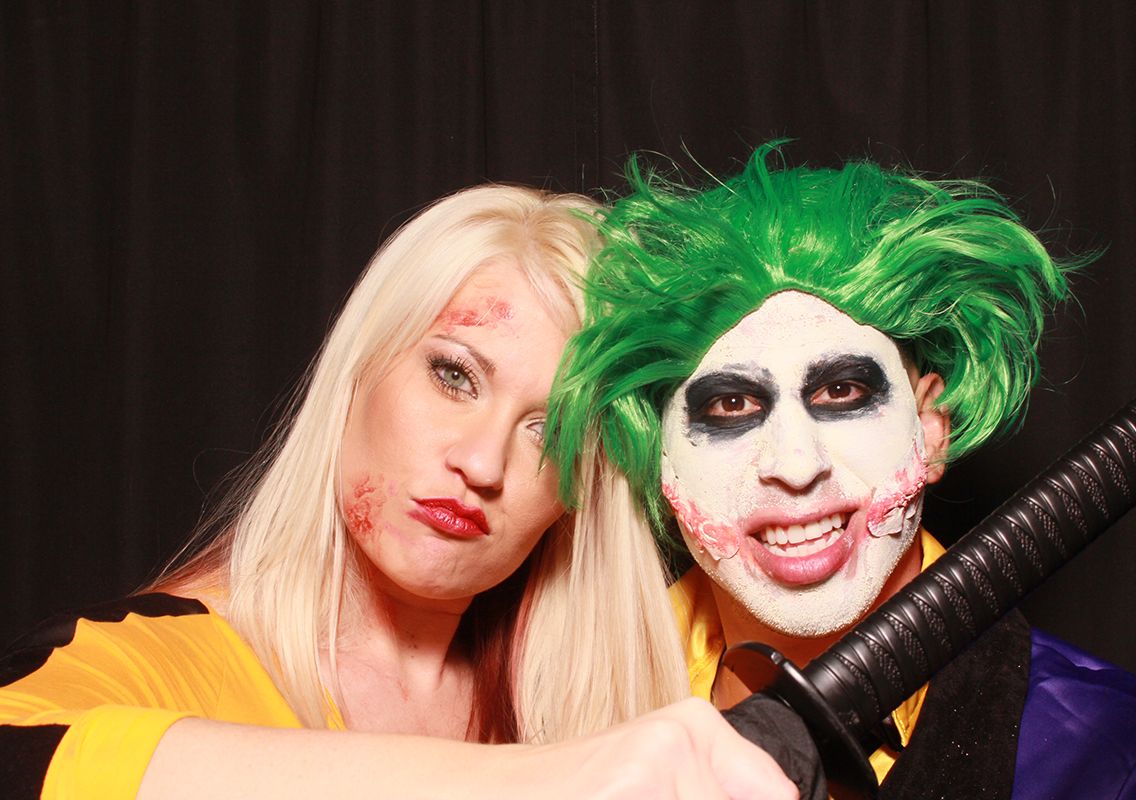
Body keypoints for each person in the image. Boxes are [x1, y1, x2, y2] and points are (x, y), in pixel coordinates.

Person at [0, 185, 798, 800]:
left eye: (550, 430)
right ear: (358, 367)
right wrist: (542, 782)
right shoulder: (170, 657)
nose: (482, 463)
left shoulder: (629, 693)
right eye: (454, 375)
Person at [547, 144, 1136, 798]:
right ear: (659, 460)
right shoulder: (547, 717)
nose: (795, 466)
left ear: (931, 427)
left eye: (842, 392)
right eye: (732, 405)